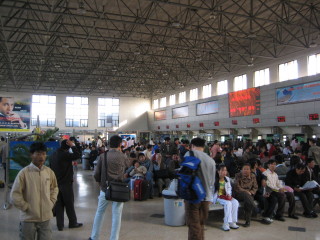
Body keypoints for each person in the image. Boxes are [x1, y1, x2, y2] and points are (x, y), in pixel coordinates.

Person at [10, 142, 58, 240]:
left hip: (45, 218)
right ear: (31, 155)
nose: (42, 157)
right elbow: (15, 194)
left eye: (44, 154)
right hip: (28, 219)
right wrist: (25, 207)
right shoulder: (24, 173)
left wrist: (51, 202)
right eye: (38, 153)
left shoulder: (49, 172)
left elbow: (54, 188)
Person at [88, 135, 130, 240]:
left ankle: (94, 237)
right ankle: (114, 238)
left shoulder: (103, 156)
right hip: (119, 189)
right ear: (120, 144)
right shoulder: (123, 156)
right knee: (117, 215)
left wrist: (99, 183)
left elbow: (96, 173)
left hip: (105, 188)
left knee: (100, 212)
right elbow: (127, 168)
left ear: (109, 144)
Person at [184, 138, 215, 240]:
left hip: (193, 196)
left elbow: (185, 175)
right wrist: (210, 197)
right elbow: (212, 182)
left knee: (193, 226)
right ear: (204, 146)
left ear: (192, 145)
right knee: (200, 224)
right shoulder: (211, 160)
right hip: (206, 198)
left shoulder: (190, 154)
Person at [49, 139, 82, 231]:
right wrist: (73, 146)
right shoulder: (65, 154)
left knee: (59, 204)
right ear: (68, 147)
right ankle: (72, 222)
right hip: (66, 183)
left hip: (56, 183)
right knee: (69, 203)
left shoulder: (54, 154)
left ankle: (60, 225)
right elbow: (78, 155)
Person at [214, 164, 240, 231]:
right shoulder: (214, 180)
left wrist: (228, 194)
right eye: (222, 170)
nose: (224, 172)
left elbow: (229, 188)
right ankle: (226, 224)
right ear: (218, 171)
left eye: (225, 170)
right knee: (228, 204)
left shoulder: (227, 179)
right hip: (218, 197)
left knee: (235, 202)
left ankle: (232, 222)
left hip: (225, 197)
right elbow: (212, 191)